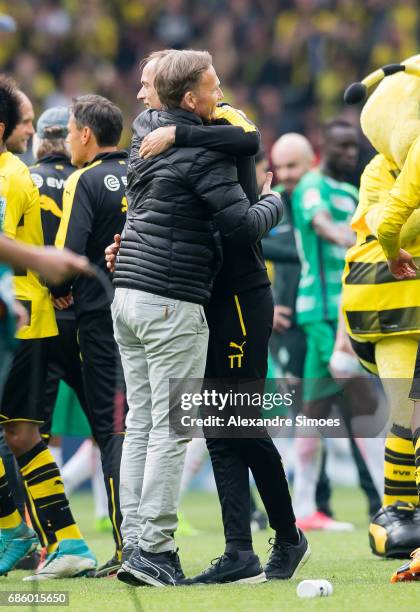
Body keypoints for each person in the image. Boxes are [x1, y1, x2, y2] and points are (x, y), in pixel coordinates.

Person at [109, 49, 306, 588]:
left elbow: (249, 142)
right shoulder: (151, 128)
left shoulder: (219, 122)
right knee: (215, 428)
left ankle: (288, 536)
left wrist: (274, 198)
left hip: (239, 292)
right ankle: (238, 549)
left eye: (149, 84)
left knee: (238, 423)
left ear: (183, 94)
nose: (142, 95)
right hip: (191, 292)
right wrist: (126, 243)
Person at [0, 76, 96, 580]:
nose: (33, 132)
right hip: (29, 316)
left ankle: (15, 528)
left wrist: (48, 268)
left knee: (22, 434)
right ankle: (64, 540)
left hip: (20, 319)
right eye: (28, 123)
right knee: (21, 435)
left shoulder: (12, 177)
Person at [264, 133, 381, 528]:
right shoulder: (300, 194)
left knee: (314, 413)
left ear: (311, 160)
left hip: (333, 312)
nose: (284, 176)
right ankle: (392, 502)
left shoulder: (345, 190)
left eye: (291, 166)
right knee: (361, 406)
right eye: (279, 168)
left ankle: (306, 508)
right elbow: (321, 225)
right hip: (321, 315)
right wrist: (360, 248)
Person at [50, 94, 128, 578]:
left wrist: (58, 287)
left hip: (98, 319)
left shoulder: (84, 179)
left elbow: (67, 254)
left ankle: (127, 546)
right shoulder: (142, 172)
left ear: (84, 134)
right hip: (148, 312)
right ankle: (152, 542)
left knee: (110, 430)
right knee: (140, 427)